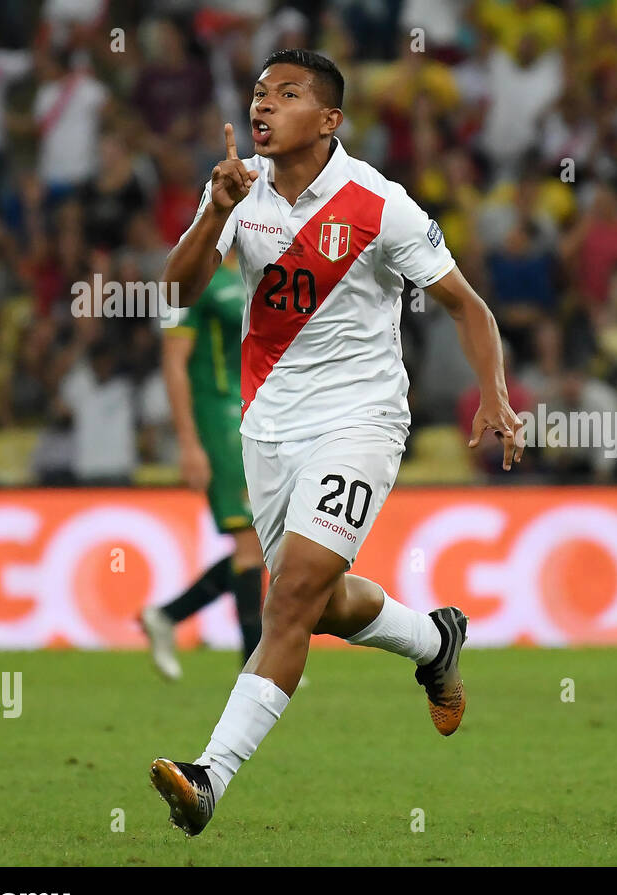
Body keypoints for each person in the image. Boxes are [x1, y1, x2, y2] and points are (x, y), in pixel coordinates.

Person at [149, 50, 523, 836]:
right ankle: (434, 638)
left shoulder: (378, 205)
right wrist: (214, 213)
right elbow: (174, 295)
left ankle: (209, 774)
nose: (263, 107)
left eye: (286, 96)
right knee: (313, 605)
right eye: (257, 93)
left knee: (287, 601)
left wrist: (494, 394)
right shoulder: (238, 190)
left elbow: (465, 303)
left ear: (328, 120)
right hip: (269, 428)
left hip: (361, 422)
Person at [137, 251, 264, 681]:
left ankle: (167, 616)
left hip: (253, 414)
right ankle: (256, 664)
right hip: (217, 418)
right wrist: (189, 444)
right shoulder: (191, 279)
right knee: (251, 541)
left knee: (261, 543)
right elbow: (173, 362)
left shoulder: (255, 269)